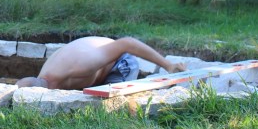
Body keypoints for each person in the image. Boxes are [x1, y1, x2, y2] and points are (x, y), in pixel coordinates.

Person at [16, 36, 187, 90]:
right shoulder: (43, 78)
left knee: (112, 107)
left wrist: (168, 65)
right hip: (97, 66)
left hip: (121, 63)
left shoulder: (80, 66)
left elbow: (127, 43)